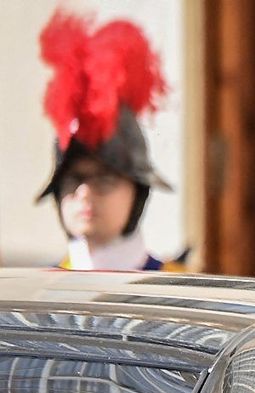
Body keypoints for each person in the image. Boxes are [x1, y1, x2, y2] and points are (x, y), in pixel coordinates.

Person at [35, 10, 185, 272]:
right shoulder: (40, 290)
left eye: (104, 178)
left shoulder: (175, 290)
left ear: (138, 191)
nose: (84, 193)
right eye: (72, 179)